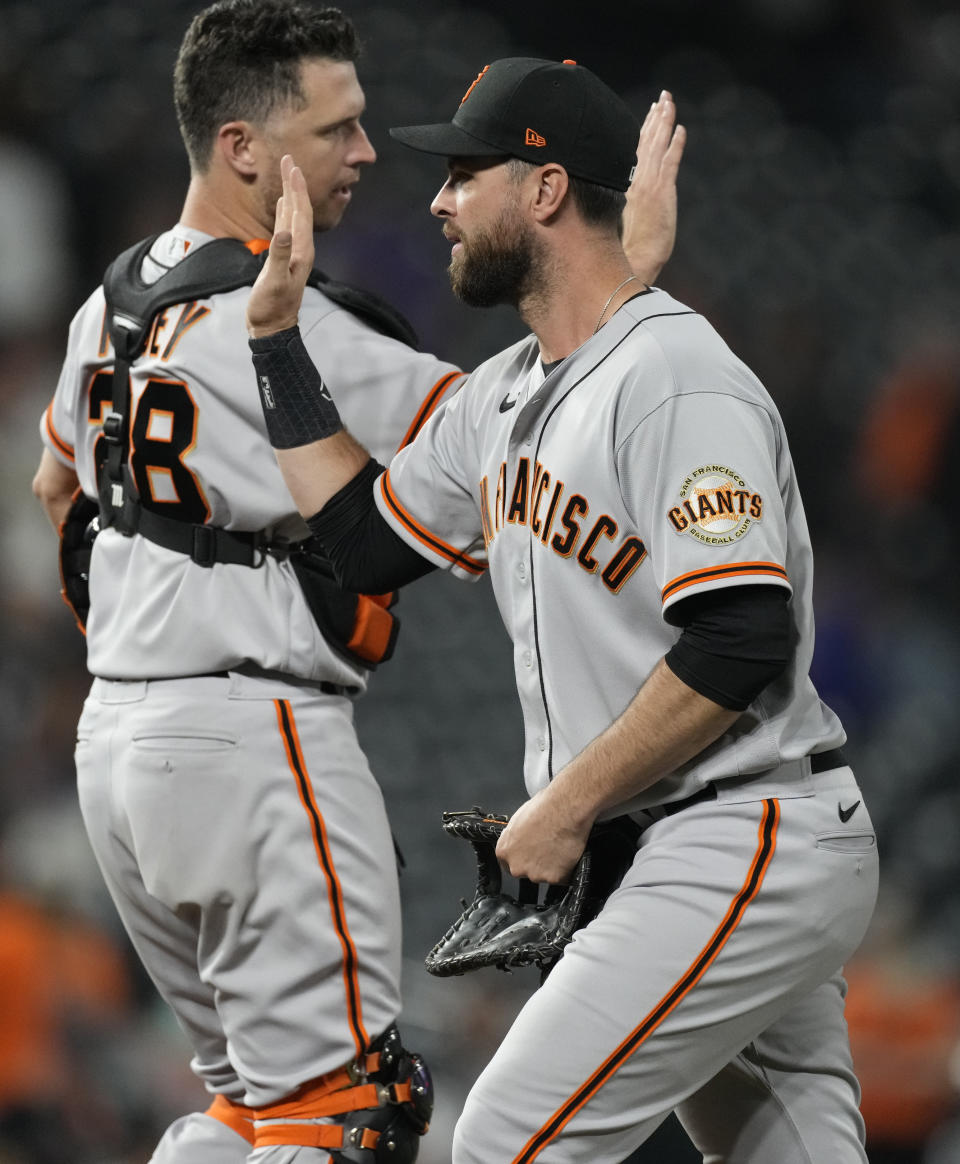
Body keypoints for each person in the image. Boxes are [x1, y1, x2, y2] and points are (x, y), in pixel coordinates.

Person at [31, 3, 684, 1160]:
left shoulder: (110, 304)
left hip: (120, 747)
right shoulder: (294, 323)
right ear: (243, 149)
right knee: (351, 1113)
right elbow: (519, 447)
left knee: (247, 1107)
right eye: (337, 128)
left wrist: (144, 634)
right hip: (249, 739)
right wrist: (620, 279)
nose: (368, 153)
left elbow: (55, 490)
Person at [244, 56, 880, 1164]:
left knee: (506, 1139)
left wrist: (566, 805)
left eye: (464, 172)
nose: (437, 199)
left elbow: (742, 637)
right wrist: (275, 346)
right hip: (699, 841)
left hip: (742, 833)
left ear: (543, 192)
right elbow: (362, 546)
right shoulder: (507, 390)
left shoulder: (679, 376)